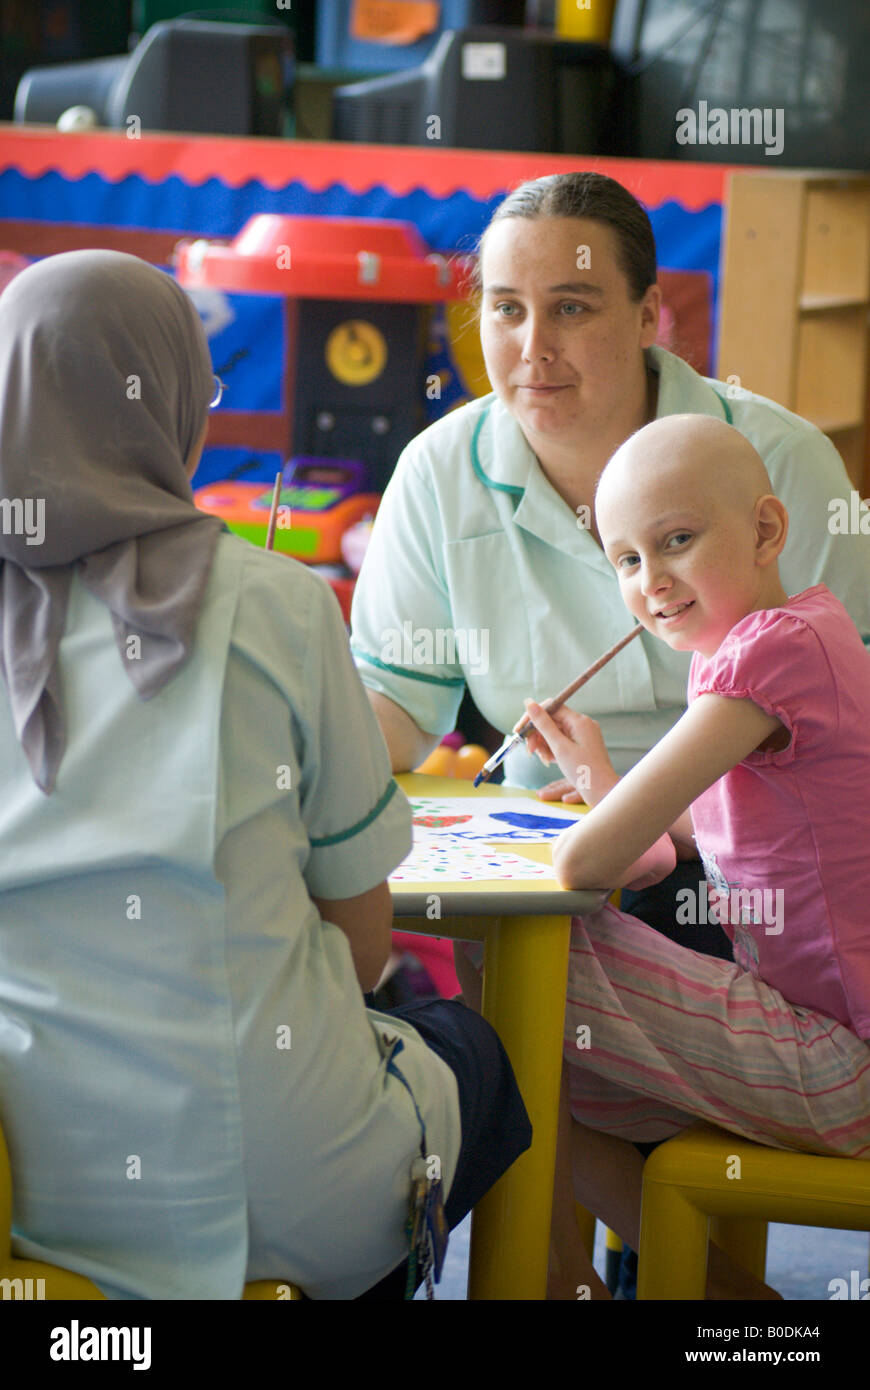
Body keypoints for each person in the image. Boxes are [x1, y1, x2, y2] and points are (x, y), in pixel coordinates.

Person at [0, 250, 531, 1301]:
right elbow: (365, 937)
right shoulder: (278, 603)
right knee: (468, 1046)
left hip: (31, 1191)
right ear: (182, 403)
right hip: (271, 1194)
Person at [351, 170, 870, 965]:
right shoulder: (438, 470)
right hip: (541, 852)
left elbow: (854, 708)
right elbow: (393, 704)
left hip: (757, 887)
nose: (532, 350)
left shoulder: (778, 460)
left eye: (571, 307)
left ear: (647, 317)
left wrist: (660, 826)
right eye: (505, 309)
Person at [516, 412, 870, 1299]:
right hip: (818, 1043)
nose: (651, 582)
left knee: (517, 966)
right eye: (627, 561)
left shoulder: (766, 656)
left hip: (840, 1066)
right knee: (554, 1082)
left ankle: (640, 1293)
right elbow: (671, 847)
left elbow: (585, 868)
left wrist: (598, 821)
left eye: (676, 541)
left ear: (765, 530)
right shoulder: (801, 631)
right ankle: (725, 1303)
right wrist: (600, 776)